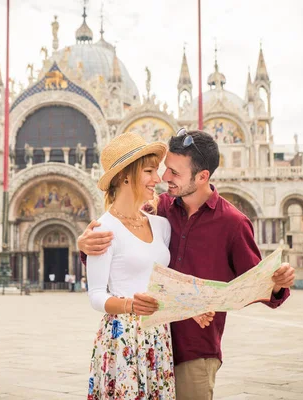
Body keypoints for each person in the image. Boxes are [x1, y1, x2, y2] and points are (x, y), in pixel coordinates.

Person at [79, 128, 295, 399]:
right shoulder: (162, 209)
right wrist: (85, 246)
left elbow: (255, 282)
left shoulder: (233, 223)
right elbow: (121, 247)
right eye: (163, 169)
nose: (163, 178)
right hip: (145, 341)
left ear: (202, 176)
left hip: (194, 347)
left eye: (174, 172)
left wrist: (276, 284)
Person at [86, 132, 189, 399]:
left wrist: (194, 307)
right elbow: (96, 296)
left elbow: (166, 282)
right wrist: (130, 305)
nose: (158, 179)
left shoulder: (161, 226)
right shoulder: (104, 228)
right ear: (125, 176)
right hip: (123, 337)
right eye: (149, 171)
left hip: (158, 336)